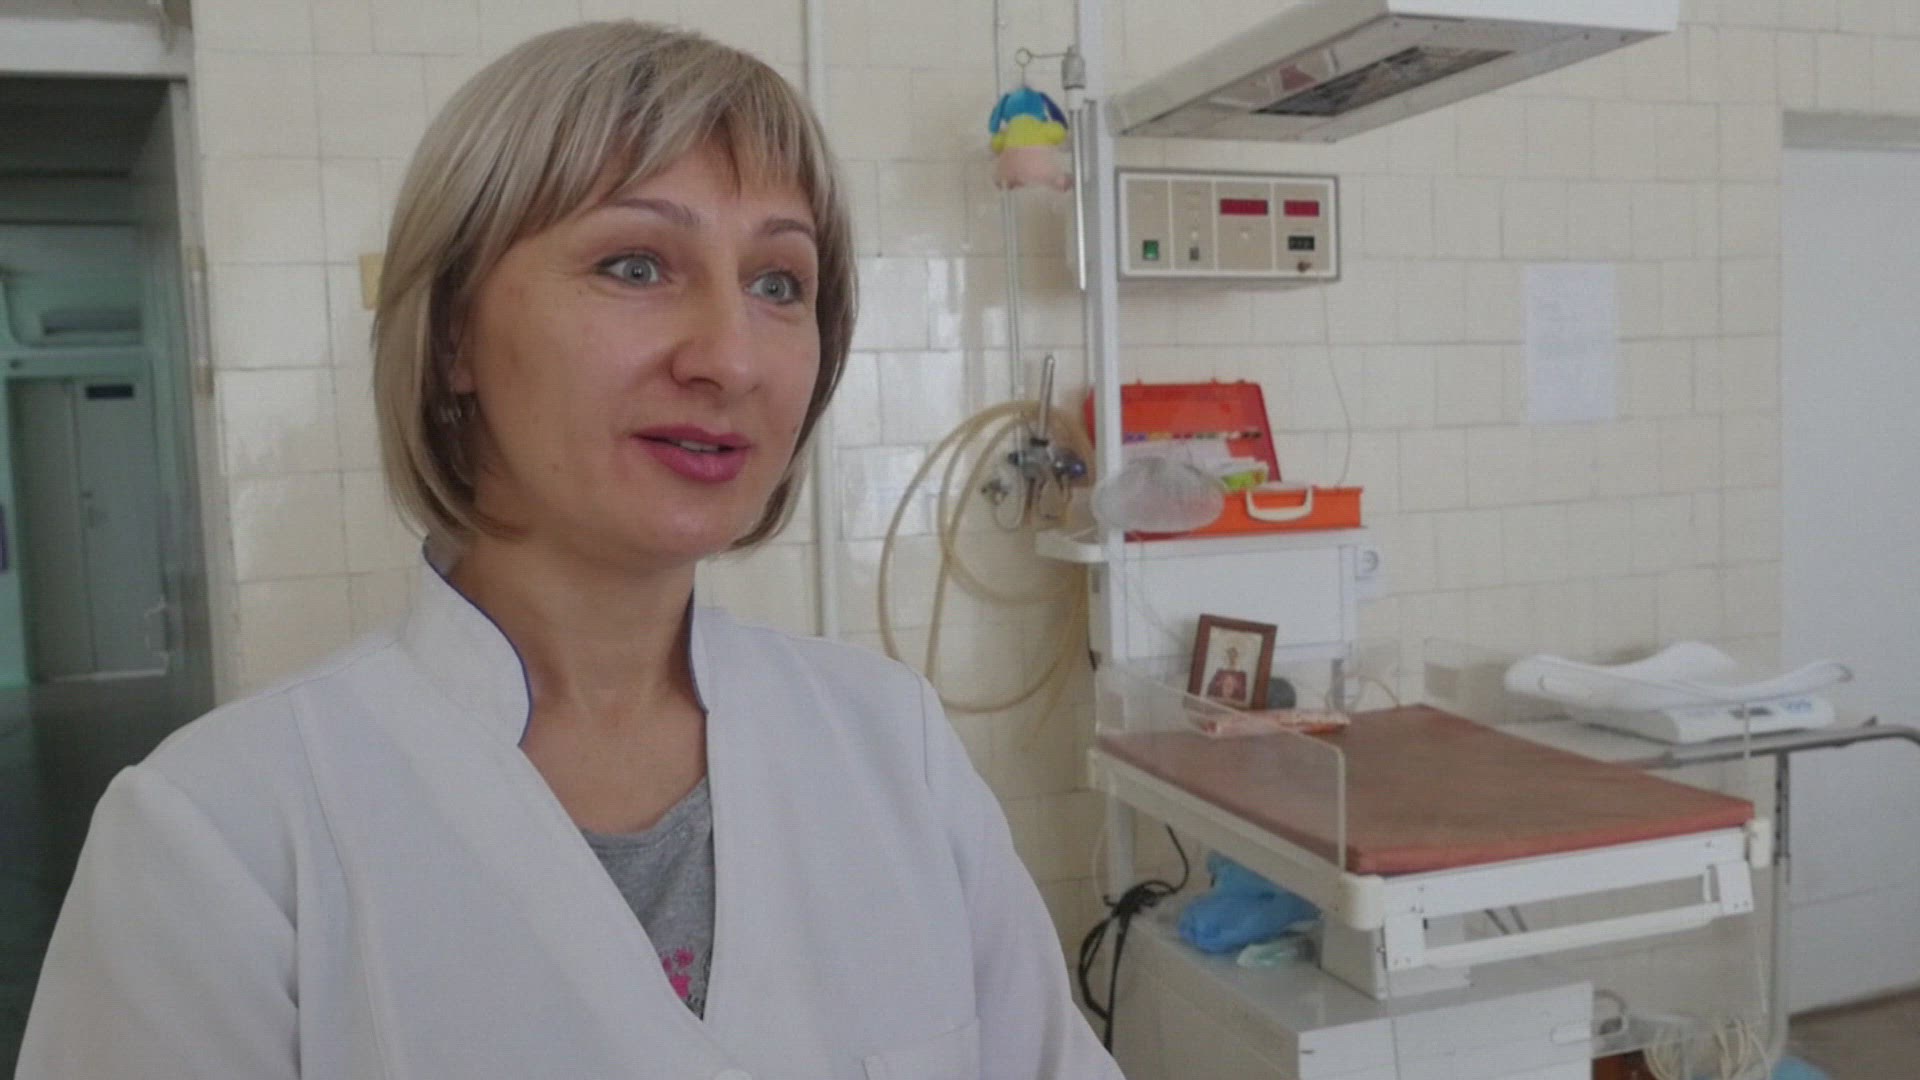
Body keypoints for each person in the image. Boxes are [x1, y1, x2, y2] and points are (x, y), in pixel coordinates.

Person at [17, 22, 1120, 1079]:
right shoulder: (221, 836)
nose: (732, 358)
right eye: (636, 266)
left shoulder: (894, 747)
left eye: (779, 283)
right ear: (454, 333)